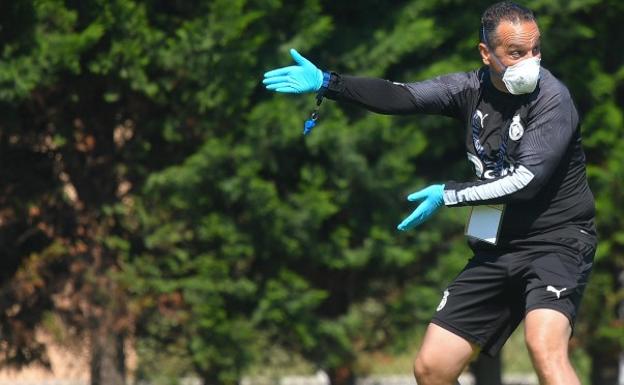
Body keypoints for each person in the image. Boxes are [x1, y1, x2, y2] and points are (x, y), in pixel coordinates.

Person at [262, 2, 597, 385]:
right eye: (516, 53)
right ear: (486, 53)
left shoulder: (553, 99)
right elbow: (402, 96)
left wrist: (447, 194)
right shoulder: (469, 89)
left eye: (535, 49)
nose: (531, 61)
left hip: (557, 242)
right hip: (498, 247)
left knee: (544, 348)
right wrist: (328, 82)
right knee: (432, 367)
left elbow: (526, 180)